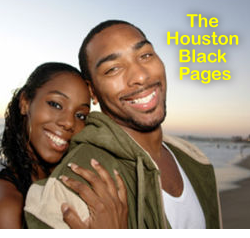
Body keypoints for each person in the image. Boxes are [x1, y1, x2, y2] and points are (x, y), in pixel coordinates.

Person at [24, 20, 222, 229]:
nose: (141, 76)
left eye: (145, 55)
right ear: (92, 92)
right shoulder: (73, 191)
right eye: (113, 69)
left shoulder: (195, 159)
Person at [0, 62, 128, 228]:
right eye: (55, 104)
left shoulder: (80, 183)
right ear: (25, 102)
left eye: (80, 115)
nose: (68, 123)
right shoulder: (8, 205)